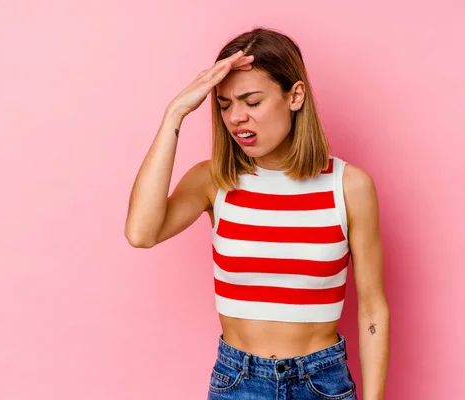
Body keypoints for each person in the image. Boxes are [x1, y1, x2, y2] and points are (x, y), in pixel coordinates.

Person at [125, 27, 390, 400]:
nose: (236, 118)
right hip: (239, 382)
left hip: (322, 383)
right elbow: (141, 233)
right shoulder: (214, 180)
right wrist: (175, 114)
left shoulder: (349, 186)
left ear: (295, 96)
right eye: (225, 104)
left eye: (251, 101)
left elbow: (373, 308)